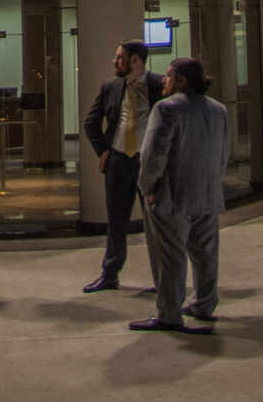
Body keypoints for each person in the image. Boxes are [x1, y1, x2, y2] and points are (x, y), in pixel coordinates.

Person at [131, 55, 230, 334]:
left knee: (170, 258)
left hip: (172, 199)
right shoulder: (219, 110)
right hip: (208, 195)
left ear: (182, 80)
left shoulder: (166, 109)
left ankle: (170, 315)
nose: (164, 79)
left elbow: (153, 157)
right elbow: (223, 154)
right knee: (206, 254)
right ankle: (204, 303)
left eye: (169, 75)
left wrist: (148, 189)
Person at [79, 39, 165, 293]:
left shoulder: (159, 85)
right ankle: (110, 273)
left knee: (156, 221)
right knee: (116, 220)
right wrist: (104, 151)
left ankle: (163, 278)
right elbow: (90, 123)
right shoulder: (111, 88)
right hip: (118, 161)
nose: (114, 62)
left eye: (120, 58)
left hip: (148, 162)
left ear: (136, 60)